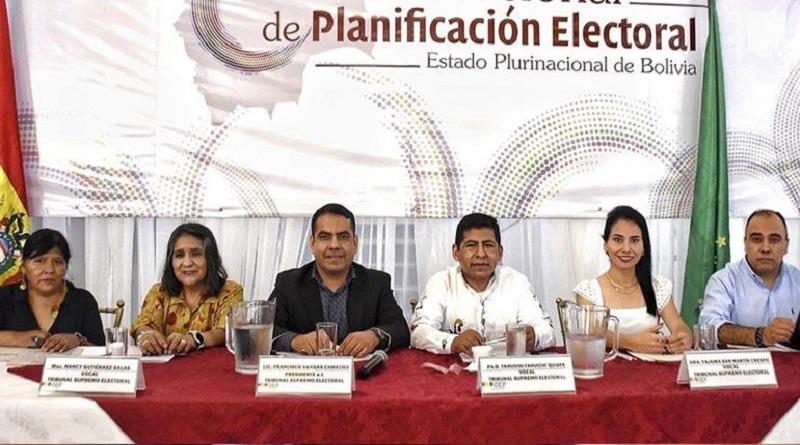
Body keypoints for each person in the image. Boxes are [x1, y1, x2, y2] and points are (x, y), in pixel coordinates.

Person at [270, 203, 409, 357]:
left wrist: (374, 336)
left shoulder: (377, 283)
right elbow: (265, 329)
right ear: (312, 243)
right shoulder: (288, 283)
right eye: (325, 237)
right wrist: (295, 340)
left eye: (343, 237)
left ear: (355, 243)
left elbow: (400, 329)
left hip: (361, 371)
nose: (334, 245)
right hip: (309, 371)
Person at [410, 213, 556, 355]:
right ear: (456, 252)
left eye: (488, 245)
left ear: (500, 252)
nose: (481, 254)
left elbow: (547, 331)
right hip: (453, 369)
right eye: (471, 245)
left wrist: (535, 336)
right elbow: (418, 331)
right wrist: (452, 342)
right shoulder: (441, 282)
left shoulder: (517, 282)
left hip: (506, 369)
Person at [573, 206, 692, 354]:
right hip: (605, 367)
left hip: (651, 367)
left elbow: (679, 326)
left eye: (635, 240)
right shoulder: (588, 291)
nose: (626, 249)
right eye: (618, 240)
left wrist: (683, 336)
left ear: (643, 247)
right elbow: (589, 332)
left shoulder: (658, 287)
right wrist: (631, 342)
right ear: (605, 245)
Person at [131, 223, 243, 355]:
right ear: (171, 262)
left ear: (210, 258)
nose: (187, 263)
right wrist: (146, 335)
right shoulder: (159, 292)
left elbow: (226, 331)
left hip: (211, 366)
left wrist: (193, 339)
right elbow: (143, 323)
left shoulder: (230, 291)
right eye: (179, 255)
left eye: (196, 254)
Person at [700, 209, 799, 347]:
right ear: (745, 243)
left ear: (786, 245)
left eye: (774, 240)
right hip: (740, 361)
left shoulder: (797, 280)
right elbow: (709, 327)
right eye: (757, 239)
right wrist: (761, 336)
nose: (765, 248)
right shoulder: (724, 280)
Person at [0, 228, 104, 351]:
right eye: (39, 261)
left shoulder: (83, 301)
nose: (49, 270)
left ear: (66, 267)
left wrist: (78, 341)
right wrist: (16, 338)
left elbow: (101, 350)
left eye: (58, 262)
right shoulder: (4, 297)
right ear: (23, 266)